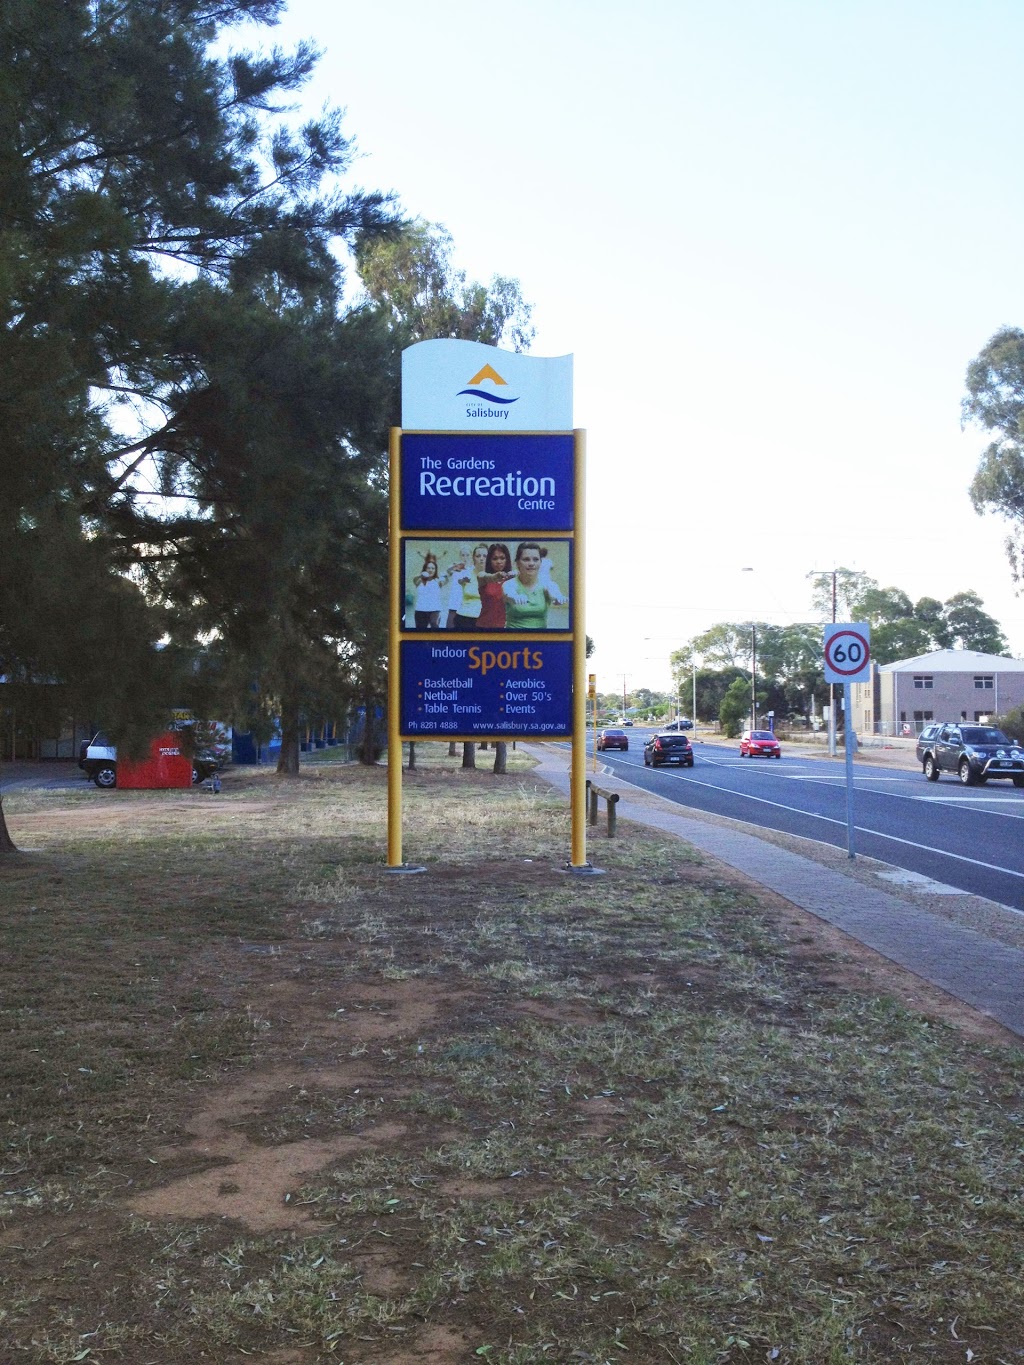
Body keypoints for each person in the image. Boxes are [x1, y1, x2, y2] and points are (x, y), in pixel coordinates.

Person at [503, 541, 567, 630]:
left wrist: (558, 597)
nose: (531, 563)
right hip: (514, 639)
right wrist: (514, 597)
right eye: (526, 559)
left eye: (536, 559)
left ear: (540, 562)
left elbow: (554, 592)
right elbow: (508, 594)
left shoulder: (547, 583)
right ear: (517, 563)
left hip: (539, 640)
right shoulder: (509, 584)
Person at [477, 543, 515, 629]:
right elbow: (484, 576)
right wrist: (495, 576)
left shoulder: (512, 579)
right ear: (489, 560)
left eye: (502, 558)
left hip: (507, 626)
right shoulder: (482, 576)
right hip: (484, 626)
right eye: (495, 558)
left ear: (507, 559)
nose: (499, 562)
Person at [451, 543, 488, 630]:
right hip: (464, 617)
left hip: (484, 619)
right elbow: (456, 578)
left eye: (485, 556)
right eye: (478, 556)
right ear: (473, 558)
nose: (481, 559)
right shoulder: (465, 572)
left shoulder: (493, 576)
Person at [412, 553, 446, 629]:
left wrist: (445, 576)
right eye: (428, 568)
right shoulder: (419, 581)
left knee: (434, 628)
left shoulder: (438, 580)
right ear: (425, 569)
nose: (430, 570)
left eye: (433, 568)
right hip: (420, 610)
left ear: (435, 570)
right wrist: (421, 575)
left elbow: (445, 580)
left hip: (435, 610)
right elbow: (414, 579)